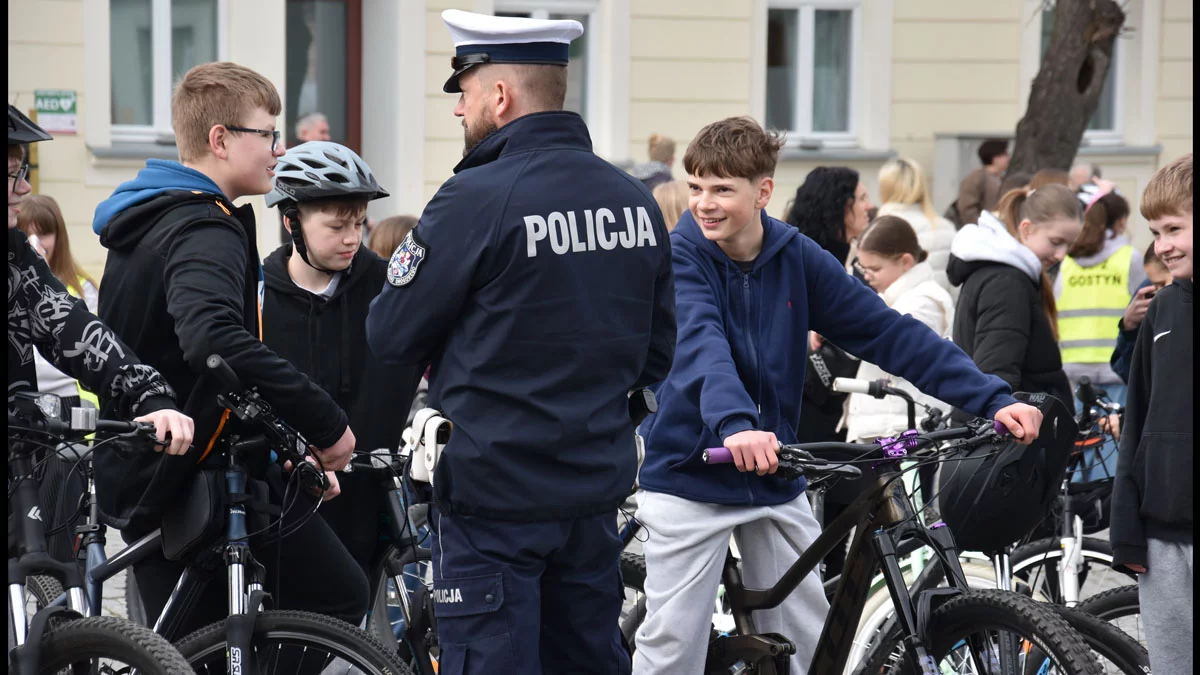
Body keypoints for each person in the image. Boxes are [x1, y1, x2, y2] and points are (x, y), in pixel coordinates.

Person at [631, 116, 1044, 675]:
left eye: (723, 189)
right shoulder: (682, 255)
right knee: (673, 647)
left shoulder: (795, 256)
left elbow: (888, 332)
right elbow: (703, 344)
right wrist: (735, 424)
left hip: (773, 474)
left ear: (764, 191)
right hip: (692, 473)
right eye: (697, 187)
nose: (704, 203)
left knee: (809, 641)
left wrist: (993, 398)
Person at [365, 11, 675, 674]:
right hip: (592, 497)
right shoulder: (633, 201)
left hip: (492, 504)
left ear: (500, 96)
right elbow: (657, 352)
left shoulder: (475, 197)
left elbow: (389, 332)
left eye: (465, 91)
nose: (460, 110)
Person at [90, 62, 367, 637]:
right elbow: (212, 343)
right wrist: (323, 421)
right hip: (192, 475)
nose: (279, 148)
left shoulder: (148, 215)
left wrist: (283, 445)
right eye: (267, 133)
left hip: (157, 468)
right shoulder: (201, 226)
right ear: (220, 140)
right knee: (338, 596)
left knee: (190, 646)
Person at [8, 104, 194, 559]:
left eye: (23, 171)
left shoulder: (15, 256)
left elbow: (68, 324)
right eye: (13, 174)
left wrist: (149, 395)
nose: (25, 187)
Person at [262, 141, 424, 583]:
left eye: (358, 223)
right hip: (291, 506)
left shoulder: (390, 289)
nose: (352, 238)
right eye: (336, 227)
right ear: (291, 221)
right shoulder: (257, 299)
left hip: (374, 502)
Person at [1110, 152, 1193, 675]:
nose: (1162, 245)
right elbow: (1135, 417)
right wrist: (1126, 528)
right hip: (1163, 540)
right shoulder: (1161, 309)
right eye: (1155, 231)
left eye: (1173, 228)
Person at [948, 184, 1083, 411]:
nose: (1061, 255)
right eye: (1056, 241)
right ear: (1026, 229)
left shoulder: (1003, 276)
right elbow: (996, 372)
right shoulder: (1006, 283)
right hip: (1014, 434)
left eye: (1069, 245)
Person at [840, 215, 955, 445]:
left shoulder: (926, 301)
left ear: (905, 261)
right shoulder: (893, 295)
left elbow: (888, 349)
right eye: (863, 268)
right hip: (889, 423)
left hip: (905, 428)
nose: (866, 275)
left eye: (875, 268)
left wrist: (840, 327)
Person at [17, 194, 102, 408]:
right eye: (25, 233)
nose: (35, 242)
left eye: (44, 234)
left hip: (69, 401)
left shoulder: (83, 289)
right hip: (20, 401)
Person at [875, 157, 957, 295]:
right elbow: (955, 285)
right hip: (942, 310)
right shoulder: (947, 228)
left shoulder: (880, 230)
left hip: (898, 312)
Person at [1110, 244, 1171, 383]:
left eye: (1162, 285)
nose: (1158, 294)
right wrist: (1129, 327)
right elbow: (1129, 374)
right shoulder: (1147, 293)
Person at [954, 138, 1007, 228]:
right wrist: (980, 226)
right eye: (1004, 155)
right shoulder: (976, 177)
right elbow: (967, 208)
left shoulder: (1002, 178)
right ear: (995, 158)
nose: (1008, 158)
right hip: (981, 229)